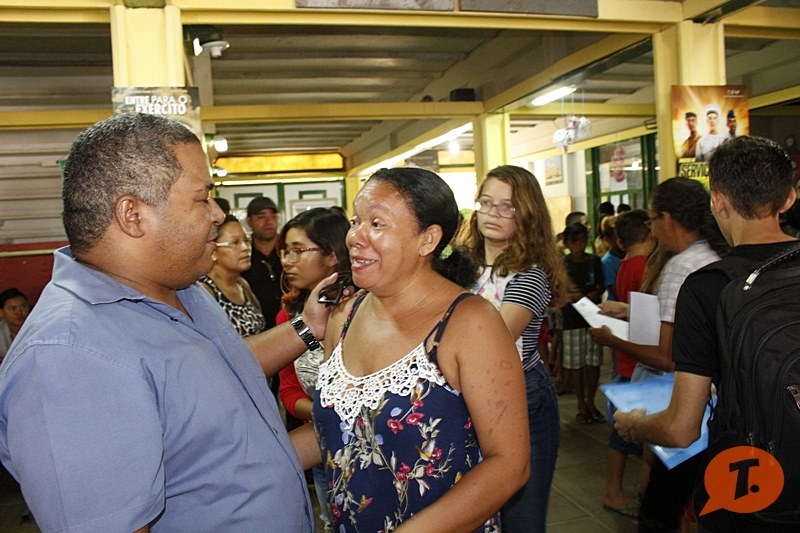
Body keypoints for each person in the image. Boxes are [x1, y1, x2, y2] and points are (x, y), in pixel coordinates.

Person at [0, 113, 334, 532]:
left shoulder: (180, 290)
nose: (218, 214)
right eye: (203, 198)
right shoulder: (70, 356)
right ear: (133, 215)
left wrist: (309, 326)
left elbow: (221, 372)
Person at [314, 167, 530, 532]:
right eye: (355, 221)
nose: (354, 237)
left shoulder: (469, 323)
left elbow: (510, 464)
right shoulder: (345, 315)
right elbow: (341, 425)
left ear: (427, 239)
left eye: (376, 224)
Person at [614, 136, 798, 532]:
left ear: (717, 201)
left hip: (750, 489)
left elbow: (681, 429)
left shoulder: (707, 286)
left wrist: (633, 425)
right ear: (789, 198)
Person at [592, 178, 725, 531]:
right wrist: (629, 311)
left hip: (684, 401)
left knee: (661, 508)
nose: (652, 230)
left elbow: (668, 357)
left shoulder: (680, 266)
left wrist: (611, 340)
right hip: (715, 404)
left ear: (667, 219)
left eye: (653, 219)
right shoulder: (713, 256)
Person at [458, 164, 569, 533]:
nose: (493, 213)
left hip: (519, 394)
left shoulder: (530, 275)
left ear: (528, 215)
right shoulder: (462, 265)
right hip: (467, 393)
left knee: (522, 516)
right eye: (487, 203)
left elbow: (493, 342)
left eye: (508, 206)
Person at [275, 207, 351, 533]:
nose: (287, 261)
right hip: (319, 446)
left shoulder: (362, 309)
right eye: (285, 251)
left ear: (332, 255)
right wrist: (320, 412)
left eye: (298, 250)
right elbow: (289, 390)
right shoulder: (289, 316)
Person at [561, 223, 605, 425]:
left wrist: (594, 293)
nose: (579, 245)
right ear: (567, 243)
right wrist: (574, 295)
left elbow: (601, 284)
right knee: (576, 364)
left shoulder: (594, 261)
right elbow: (560, 290)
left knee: (593, 362)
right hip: (572, 319)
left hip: (593, 317)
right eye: (575, 241)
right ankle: (581, 403)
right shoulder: (563, 264)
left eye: (582, 241)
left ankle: (591, 400)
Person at [199, 214, 266, 337]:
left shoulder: (242, 284)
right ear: (213, 252)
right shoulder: (205, 292)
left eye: (246, 240)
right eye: (235, 242)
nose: (245, 248)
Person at [242, 195, 283, 330]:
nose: (269, 221)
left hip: (291, 325)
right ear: (249, 221)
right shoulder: (243, 255)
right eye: (261, 217)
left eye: (273, 216)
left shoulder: (288, 251)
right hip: (255, 329)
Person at [0, 288, 30, 361]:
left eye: (23, 307)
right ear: (1, 313)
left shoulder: (38, 326)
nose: (19, 312)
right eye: (13, 308)